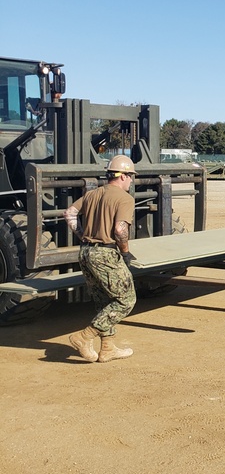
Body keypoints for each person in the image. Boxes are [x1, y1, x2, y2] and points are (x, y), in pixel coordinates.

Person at [65, 155, 138, 363]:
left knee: (104, 301)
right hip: (106, 255)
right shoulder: (125, 199)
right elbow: (120, 229)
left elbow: (69, 213)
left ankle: (107, 348)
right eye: (130, 176)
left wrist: (83, 237)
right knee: (126, 299)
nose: (131, 181)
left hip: (86, 252)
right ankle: (84, 337)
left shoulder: (92, 194)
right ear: (123, 176)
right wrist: (124, 252)